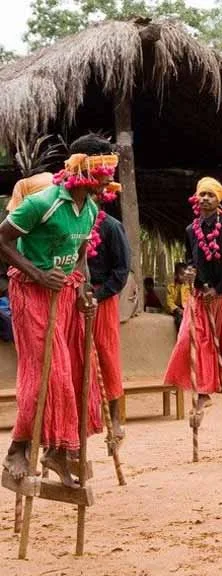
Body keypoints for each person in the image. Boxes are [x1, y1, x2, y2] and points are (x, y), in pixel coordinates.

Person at [0, 134, 113, 487]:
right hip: (30, 292)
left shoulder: (90, 209)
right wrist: (37, 273)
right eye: (105, 170)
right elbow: (2, 239)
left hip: (63, 295)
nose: (110, 178)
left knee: (71, 373)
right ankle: (17, 449)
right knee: (48, 374)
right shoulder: (43, 202)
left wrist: (81, 289)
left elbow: (78, 255)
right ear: (85, 169)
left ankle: (58, 452)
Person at [163, 177, 222, 432]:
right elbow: (191, 260)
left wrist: (219, 288)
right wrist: (191, 274)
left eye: (210, 195)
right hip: (201, 296)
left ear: (218, 200)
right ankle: (203, 393)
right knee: (189, 341)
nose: (204, 198)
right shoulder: (190, 230)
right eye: (201, 194)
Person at [87, 207, 131, 442]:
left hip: (102, 299)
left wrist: (98, 295)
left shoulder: (111, 226)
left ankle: (114, 421)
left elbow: (121, 271)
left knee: (106, 356)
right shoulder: (69, 222)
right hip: (73, 297)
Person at [164, 262, 192, 332]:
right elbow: (169, 301)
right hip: (176, 309)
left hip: (185, 308)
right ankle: (180, 335)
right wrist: (177, 309)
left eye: (185, 274)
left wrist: (186, 309)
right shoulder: (170, 287)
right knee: (179, 320)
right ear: (176, 275)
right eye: (181, 274)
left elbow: (190, 299)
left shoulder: (188, 287)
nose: (184, 276)